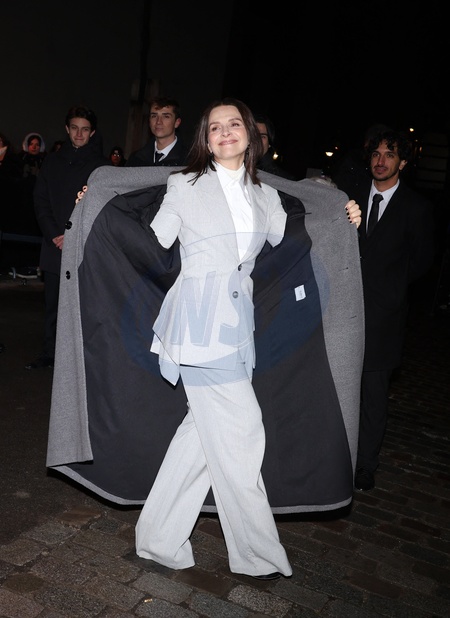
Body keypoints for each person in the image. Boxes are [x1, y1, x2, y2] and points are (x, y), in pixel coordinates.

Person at [134, 97, 362, 580]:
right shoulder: (183, 185)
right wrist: (91, 201)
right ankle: (257, 553)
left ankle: (157, 539)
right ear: (205, 138)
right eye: (215, 127)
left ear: (250, 135)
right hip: (197, 326)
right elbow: (149, 239)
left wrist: (342, 212)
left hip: (238, 329)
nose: (225, 132)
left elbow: (303, 234)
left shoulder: (265, 196)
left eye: (233, 124)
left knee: (200, 440)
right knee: (243, 431)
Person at [348, 127, 435, 491]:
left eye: (389, 155)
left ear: (402, 163)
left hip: (384, 316)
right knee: (340, 388)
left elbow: (422, 261)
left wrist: (391, 289)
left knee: (373, 394)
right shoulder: (349, 197)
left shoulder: (416, 208)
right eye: (376, 154)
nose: (380, 161)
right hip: (344, 311)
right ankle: (334, 457)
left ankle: (365, 464)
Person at [25, 105, 110, 370]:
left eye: (85, 129)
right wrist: (54, 234)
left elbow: (103, 208)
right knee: (52, 304)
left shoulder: (102, 167)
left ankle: (77, 359)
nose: (79, 134)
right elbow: (40, 201)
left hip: (84, 246)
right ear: (67, 129)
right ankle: (49, 353)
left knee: (81, 307)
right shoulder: (52, 162)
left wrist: (74, 237)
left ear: (92, 132)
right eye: (74, 128)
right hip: (54, 245)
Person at [126, 95, 188, 167]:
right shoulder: (136, 159)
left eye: (166, 116)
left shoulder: (189, 161)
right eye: (154, 116)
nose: (158, 122)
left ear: (177, 122)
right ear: (149, 121)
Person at [18, 133, 47, 236]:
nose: (34, 147)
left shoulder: (45, 161)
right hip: (21, 197)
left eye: (37, 145)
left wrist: (38, 174)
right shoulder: (19, 159)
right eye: (31, 144)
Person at [253, 113, 296, 180]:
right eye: (252, 135)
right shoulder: (236, 170)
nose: (257, 140)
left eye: (262, 137)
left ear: (269, 144)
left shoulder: (282, 179)